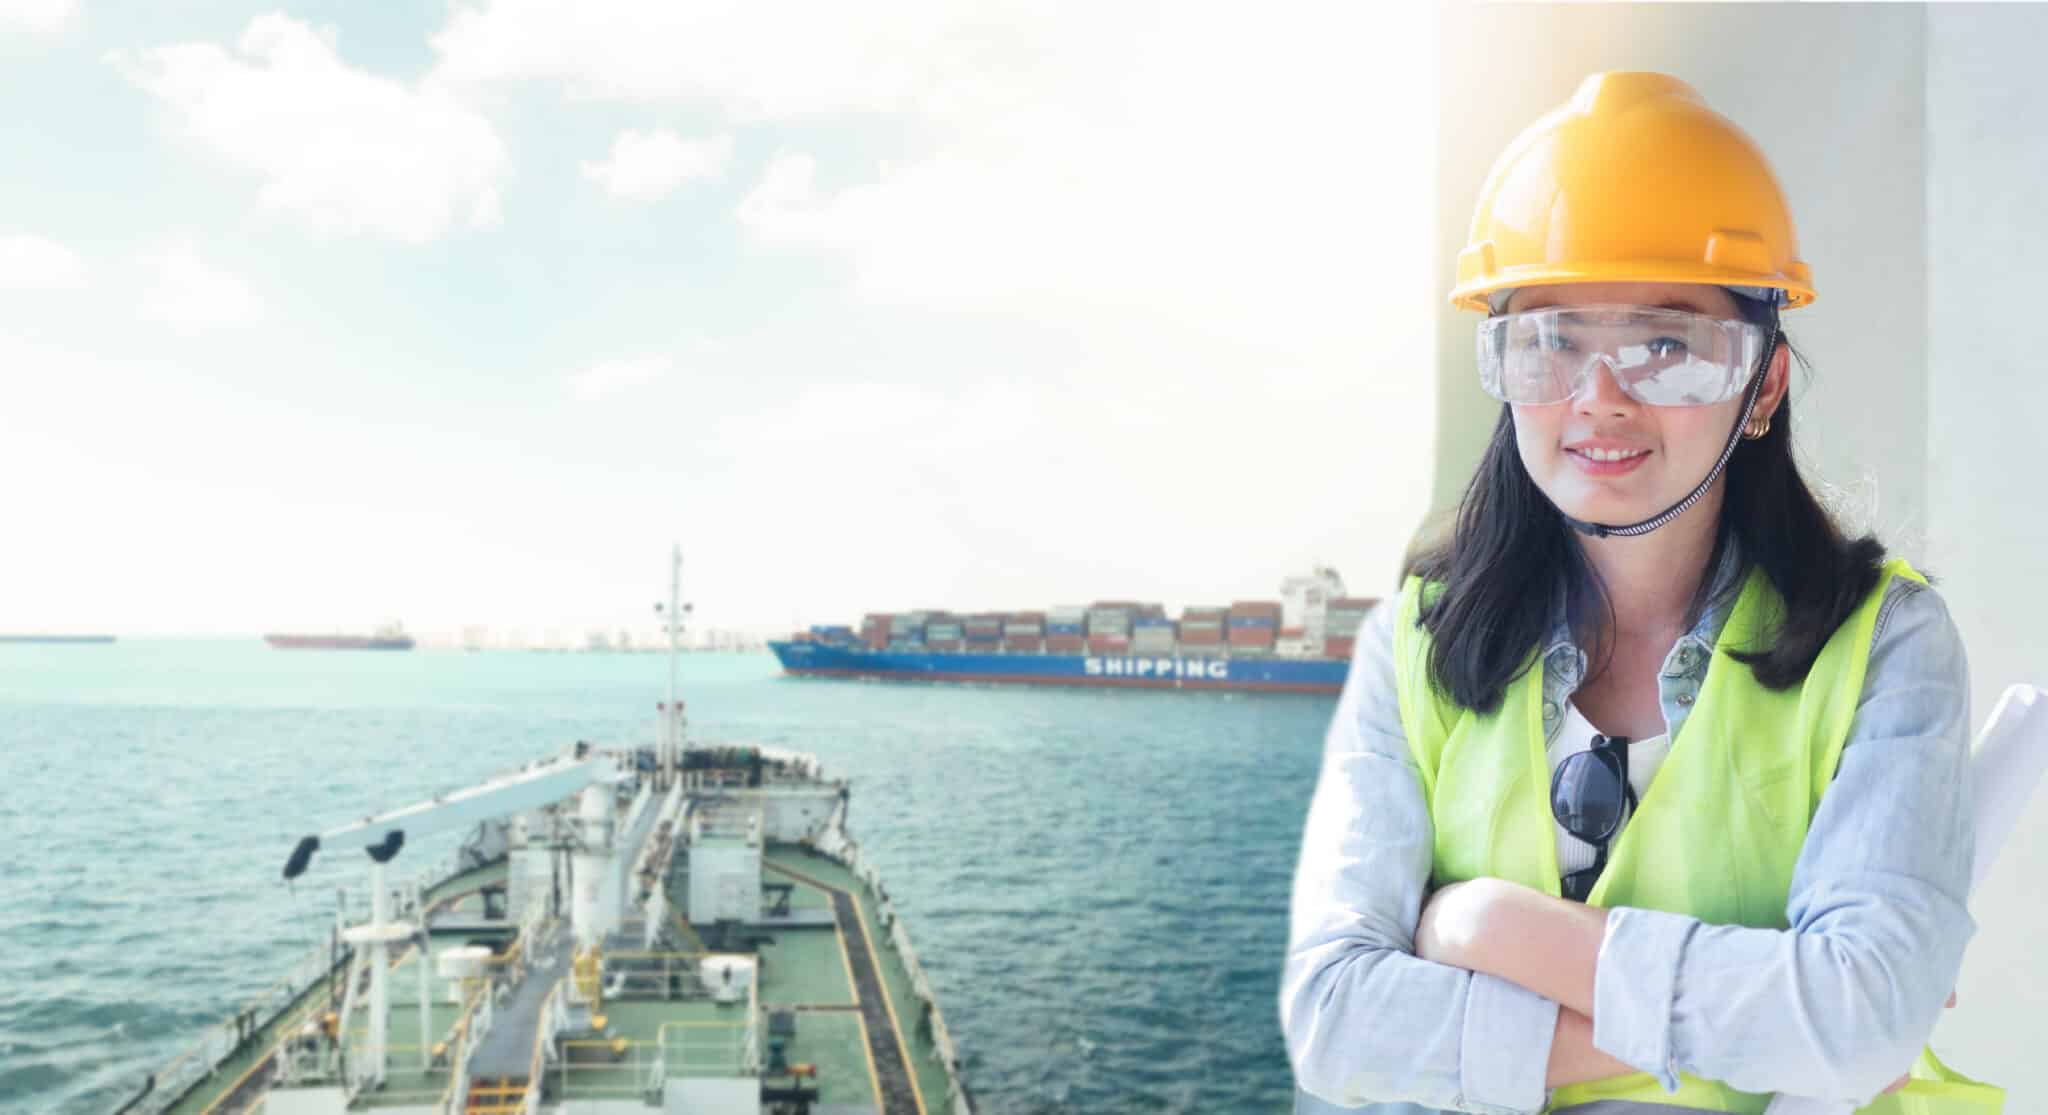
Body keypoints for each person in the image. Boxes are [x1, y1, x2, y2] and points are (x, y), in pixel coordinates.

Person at [1279, 73, 2004, 1114]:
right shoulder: (1414, 643)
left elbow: (1860, 1024)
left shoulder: (1883, 643)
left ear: (1760, 384)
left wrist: (1485, 929)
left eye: (1665, 345)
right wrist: (1764, 1022)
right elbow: (1335, 1024)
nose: (1598, 399)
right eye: (1550, 342)